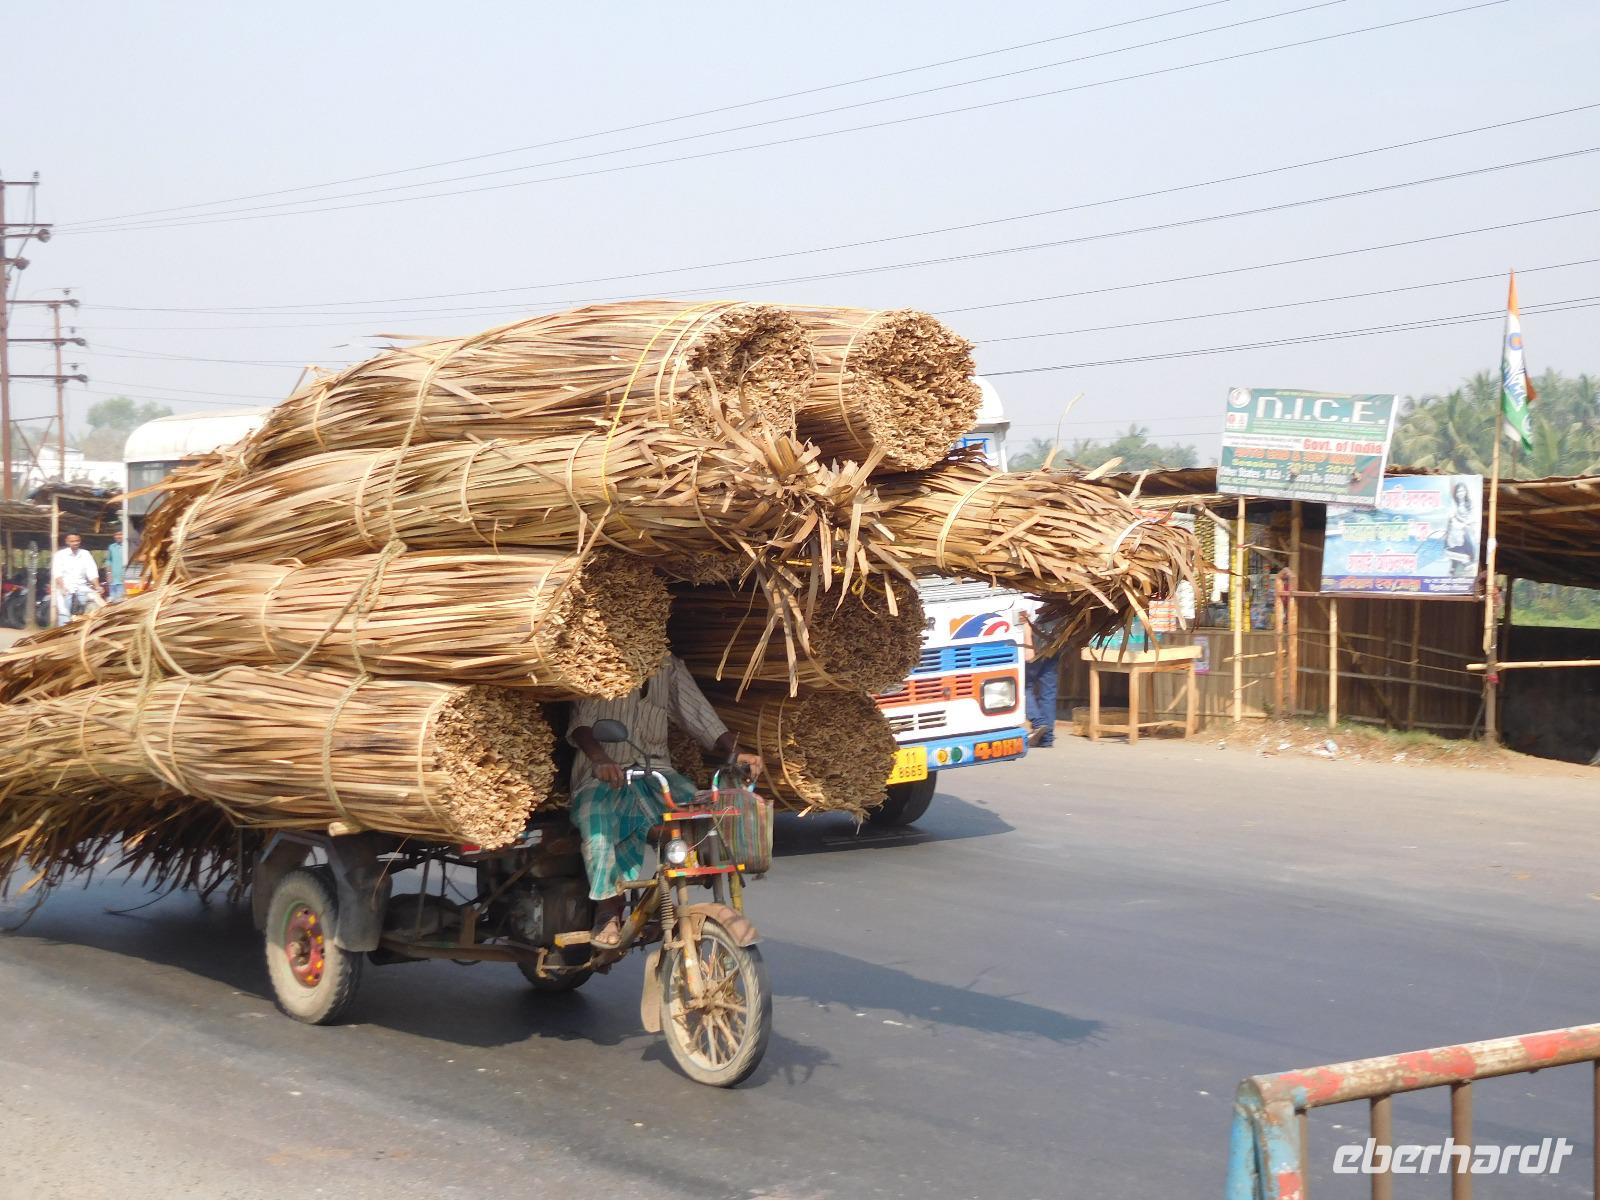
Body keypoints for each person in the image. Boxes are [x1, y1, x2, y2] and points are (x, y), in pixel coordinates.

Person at [568, 653, 764, 949]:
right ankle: (608, 908)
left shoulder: (667, 666)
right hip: (605, 773)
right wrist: (600, 759)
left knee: (701, 808)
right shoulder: (600, 656)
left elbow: (698, 712)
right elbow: (581, 722)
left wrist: (735, 752)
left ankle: (679, 883)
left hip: (657, 771)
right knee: (596, 821)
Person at [1019, 599, 1061, 748]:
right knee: (1048, 691)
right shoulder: (1051, 589)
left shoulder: (1026, 591)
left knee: (1021, 686)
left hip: (1036, 640)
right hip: (1053, 640)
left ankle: (1038, 723)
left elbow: (1024, 618)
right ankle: (1047, 738)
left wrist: (1028, 645)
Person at [49, 534, 102, 627]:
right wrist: (62, 587)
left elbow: (92, 572)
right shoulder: (60, 555)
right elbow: (57, 574)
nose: (75, 543)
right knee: (65, 616)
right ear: (67, 541)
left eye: (77, 540)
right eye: (72, 541)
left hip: (82, 588)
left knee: (83, 616)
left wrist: (97, 586)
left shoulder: (85, 554)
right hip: (66, 589)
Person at [104, 531, 127, 601]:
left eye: (120, 534)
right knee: (113, 601)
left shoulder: (127, 547)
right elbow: (108, 560)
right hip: (113, 580)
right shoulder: (111, 547)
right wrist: (108, 573)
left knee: (121, 601)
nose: (118, 536)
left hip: (123, 580)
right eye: (116, 534)